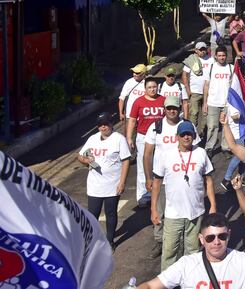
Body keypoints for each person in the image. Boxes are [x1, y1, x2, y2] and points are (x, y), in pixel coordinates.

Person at [136, 213, 245, 289]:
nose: (216, 242)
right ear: (201, 239)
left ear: (229, 235)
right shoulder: (187, 264)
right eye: (210, 238)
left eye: (222, 236)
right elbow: (151, 286)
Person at [151, 121, 216, 270]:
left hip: (196, 212)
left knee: (193, 252)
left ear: (194, 136)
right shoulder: (166, 155)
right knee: (169, 252)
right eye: (183, 134)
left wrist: (213, 205)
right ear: (177, 137)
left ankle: (190, 282)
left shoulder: (201, 153)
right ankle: (167, 284)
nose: (186, 137)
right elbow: (156, 183)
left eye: (189, 134)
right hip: (173, 214)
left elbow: (209, 181)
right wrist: (154, 209)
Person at [143, 96, 201, 259]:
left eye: (174, 108)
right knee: (160, 212)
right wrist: (148, 178)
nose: (171, 111)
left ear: (179, 108)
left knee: (184, 209)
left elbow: (196, 149)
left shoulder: (187, 126)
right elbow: (147, 154)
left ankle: (183, 241)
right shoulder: (156, 127)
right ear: (164, 109)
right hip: (162, 179)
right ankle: (160, 241)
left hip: (183, 177)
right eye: (168, 108)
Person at [77, 113, 130, 250]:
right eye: (100, 125)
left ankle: (110, 240)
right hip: (95, 185)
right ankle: (92, 241)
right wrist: (85, 160)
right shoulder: (92, 139)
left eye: (106, 124)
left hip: (113, 184)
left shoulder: (119, 139)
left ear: (111, 124)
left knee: (110, 213)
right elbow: (80, 156)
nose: (103, 127)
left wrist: (122, 182)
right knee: (92, 214)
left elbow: (125, 161)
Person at [127, 77, 166, 207]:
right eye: (149, 87)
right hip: (143, 137)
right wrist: (128, 138)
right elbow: (132, 120)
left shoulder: (163, 100)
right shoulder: (138, 102)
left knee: (160, 165)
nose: (152, 89)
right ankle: (143, 195)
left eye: (154, 87)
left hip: (160, 137)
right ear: (145, 89)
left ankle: (158, 193)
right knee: (143, 166)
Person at [202, 45, 233, 156]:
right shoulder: (210, 68)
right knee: (211, 127)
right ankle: (209, 148)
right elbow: (206, 85)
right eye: (219, 56)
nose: (221, 58)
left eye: (223, 55)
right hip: (212, 103)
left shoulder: (231, 68)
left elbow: (234, 87)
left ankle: (225, 147)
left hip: (226, 103)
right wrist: (205, 102)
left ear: (226, 56)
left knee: (226, 126)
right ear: (215, 56)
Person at [181, 42, 212, 136]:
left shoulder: (211, 60)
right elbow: (184, 74)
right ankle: (192, 132)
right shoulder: (192, 60)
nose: (203, 51)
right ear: (196, 50)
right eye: (200, 49)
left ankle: (201, 132)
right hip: (195, 91)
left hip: (208, 91)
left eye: (204, 49)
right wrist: (187, 89)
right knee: (193, 113)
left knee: (205, 113)